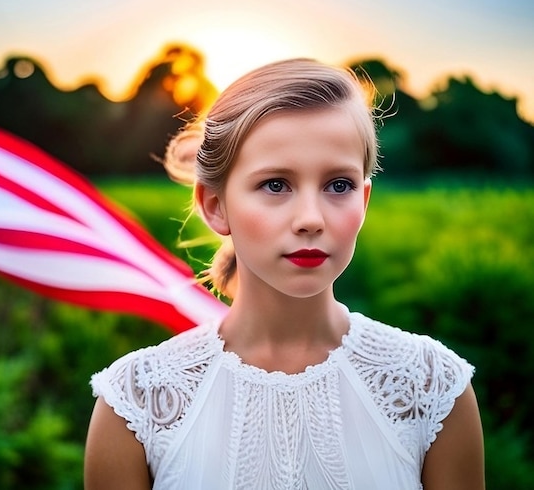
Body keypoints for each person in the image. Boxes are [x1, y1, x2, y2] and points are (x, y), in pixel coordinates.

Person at [84, 58, 485, 489]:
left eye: (338, 185)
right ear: (215, 205)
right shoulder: (135, 404)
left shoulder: (433, 389)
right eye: (276, 184)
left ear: (363, 201)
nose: (310, 219)